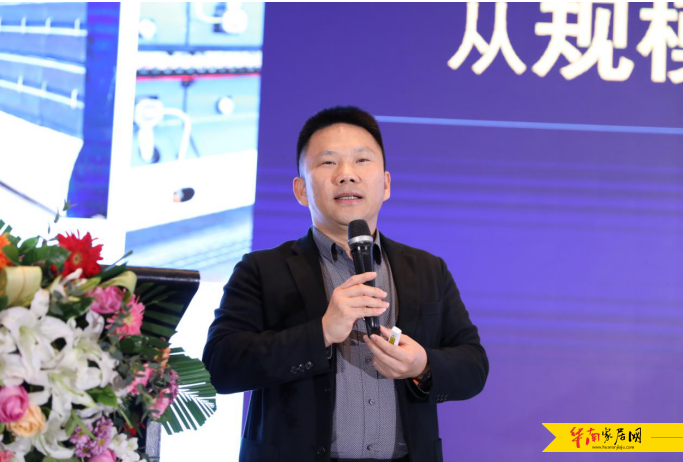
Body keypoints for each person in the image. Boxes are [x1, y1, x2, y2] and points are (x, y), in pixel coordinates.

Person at [203, 106, 489, 462]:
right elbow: (221, 368)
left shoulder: (428, 269)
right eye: (328, 163)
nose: (346, 175)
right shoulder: (261, 269)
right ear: (301, 190)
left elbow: (474, 366)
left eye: (361, 160)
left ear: (386, 184)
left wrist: (423, 365)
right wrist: (321, 331)